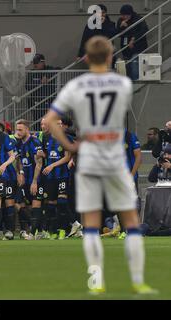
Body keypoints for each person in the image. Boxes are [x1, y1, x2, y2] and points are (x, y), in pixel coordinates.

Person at [44, 36, 156, 294]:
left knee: (91, 223)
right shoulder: (123, 84)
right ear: (109, 57)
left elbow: (49, 120)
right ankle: (137, 280)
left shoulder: (76, 86)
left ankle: (95, 279)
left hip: (90, 158)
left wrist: (70, 146)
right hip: (113, 156)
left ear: (85, 58)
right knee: (130, 220)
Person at [39, 119, 72, 240]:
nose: (59, 126)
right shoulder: (46, 138)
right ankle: (52, 230)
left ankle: (63, 230)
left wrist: (52, 165)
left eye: (60, 124)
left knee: (62, 202)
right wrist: (40, 154)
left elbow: (67, 157)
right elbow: (44, 154)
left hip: (62, 175)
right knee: (51, 204)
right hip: (50, 176)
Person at [12, 119, 43, 240]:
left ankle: (34, 233)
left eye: (20, 130)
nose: (18, 132)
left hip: (36, 179)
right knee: (17, 204)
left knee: (36, 206)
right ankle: (38, 229)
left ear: (27, 129)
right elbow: (19, 160)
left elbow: (39, 163)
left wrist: (35, 182)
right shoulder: (18, 143)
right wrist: (20, 172)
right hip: (25, 179)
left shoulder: (35, 142)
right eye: (17, 130)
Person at [116, 4, 149, 80]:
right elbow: (117, 33)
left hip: (138, 47)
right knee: (128, 67)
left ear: (131, 13)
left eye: (126, 15)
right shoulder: (121, 20)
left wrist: (133, 39)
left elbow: (144, 30)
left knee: (134, 65)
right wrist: (120, 26)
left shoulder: (138, 19)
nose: (124, 17)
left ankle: (136, 84)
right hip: (126, 49)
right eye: (123, 15)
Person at [25, 54, 59, 124]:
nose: (35, 65)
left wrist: (47, 76)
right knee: (37, 122)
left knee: (50, 122)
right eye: (34, 63)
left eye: (37, 63)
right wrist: (39, 82)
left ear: (43, 62)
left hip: (49, 102)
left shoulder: (49, 70)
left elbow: (59, 69)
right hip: (36, 103)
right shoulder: (32, 73)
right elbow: (27, 86)